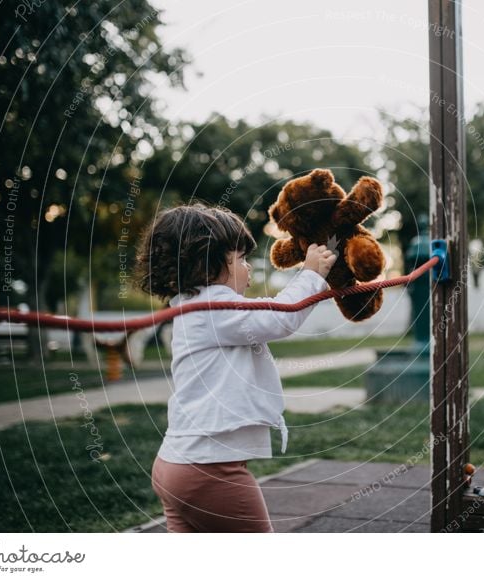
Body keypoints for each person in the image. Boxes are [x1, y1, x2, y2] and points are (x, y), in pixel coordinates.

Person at [134, 202, 337, 532]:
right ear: (208, 265)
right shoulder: (213, 307)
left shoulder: (197, 307)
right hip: (208, 469)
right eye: (241, 259)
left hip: (176, 465)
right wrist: (312, 275)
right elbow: (281, 317)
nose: (249, 269)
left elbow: (267, 312)